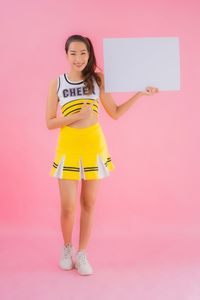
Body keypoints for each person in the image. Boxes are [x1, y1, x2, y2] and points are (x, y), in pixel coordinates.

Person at [46, 34, 159, 276]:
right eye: (73, 53)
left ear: (89, 54)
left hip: (94, 147)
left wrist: (140, 94)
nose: (78, 58)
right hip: (68, 147)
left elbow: (115, 113)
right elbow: (49, 122)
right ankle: (67, 248)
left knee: (89, 203)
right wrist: (77, 115)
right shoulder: (58, 83)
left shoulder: (98, 80)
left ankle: (82, 252)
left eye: (83, 53)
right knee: (67, 207)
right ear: (66, 55)